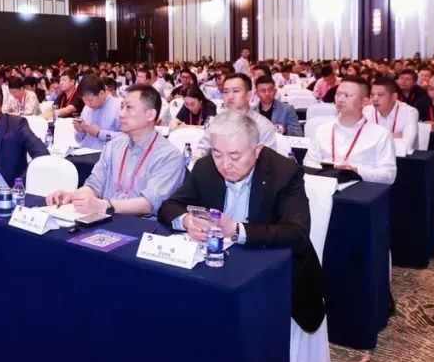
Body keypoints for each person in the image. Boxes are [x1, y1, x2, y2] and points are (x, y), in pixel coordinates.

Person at [158, 110, 325, 335]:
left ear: (257, 150)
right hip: (218, 266)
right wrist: (187, 221)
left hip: (272, 274)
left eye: (235, 157)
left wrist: (237, 230)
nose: (225, 164)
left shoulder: (285, 173)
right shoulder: (205, 167)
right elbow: (169, 207)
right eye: (217, 154)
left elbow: (297, 234)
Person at [46, 84, 184, 217]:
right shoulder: (114, 145)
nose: (120, 114)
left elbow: (149, 204)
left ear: (150, 115)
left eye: (129, 107)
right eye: (122, 106)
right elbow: (95, 184)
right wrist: (75, 197)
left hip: (142, 226)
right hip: (104, 218)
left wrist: (104, 206)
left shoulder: (169, 156)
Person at [304, 77, 397, 184]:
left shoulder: (381, 134)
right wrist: (329, 172)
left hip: (360, 190)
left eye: (347, 95)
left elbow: (389, 176)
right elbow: (308, 162)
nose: (340, 99)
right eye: (338, 94)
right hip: (324, 187)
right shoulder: (322, 129)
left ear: (364, 102)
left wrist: (356, 172)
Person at [206, 73, 277, 151]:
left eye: (235, 91)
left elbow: (268, 157)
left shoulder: (263, 125)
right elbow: (203, 149)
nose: (230, 96)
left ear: (249, 95)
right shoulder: (216, 122)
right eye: (226, 92)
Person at [364, 77, 418, 152]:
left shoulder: (410, 112)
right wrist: (393, 136)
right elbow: (361, 142)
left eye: (380, 95)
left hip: (401, 158)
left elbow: (407, 145)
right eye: (372, 95)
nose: (375, 99)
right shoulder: (367, 111)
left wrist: (374, 138)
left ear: (394, 97)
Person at [74, 74, 120, 148]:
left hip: (105, 153)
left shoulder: (118, 107)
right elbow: (78, 140)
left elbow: (126, 139)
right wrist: (80, 130)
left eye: (90, 100)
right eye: (84, 100)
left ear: (101, 94)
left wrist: (99, 133)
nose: (87, 104)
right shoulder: (87, 108)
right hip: (83, 151)